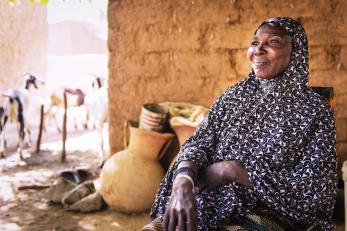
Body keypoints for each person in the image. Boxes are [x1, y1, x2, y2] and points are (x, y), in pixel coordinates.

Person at [142, 17, 337, 231]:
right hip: (209, 201)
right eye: (255, 43)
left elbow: (315, 191)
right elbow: (199, 142)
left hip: (269, 211)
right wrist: (183, 182)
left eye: (273, 42)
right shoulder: (233, 96)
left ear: (296, 51)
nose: (259, 49)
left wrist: (232, 170)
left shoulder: (314, 110)